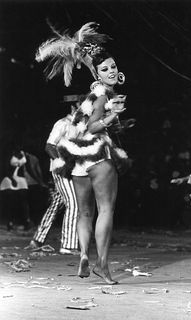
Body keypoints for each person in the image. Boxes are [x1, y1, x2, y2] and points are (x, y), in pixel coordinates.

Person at [36, 22, 129, 284]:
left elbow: (79, 126)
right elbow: (92, 126)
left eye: (113, 66)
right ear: (97, 74)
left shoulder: (92, 95)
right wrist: (112, 117)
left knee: (85, 212)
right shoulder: (101, 96)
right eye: (105, 69)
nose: (111, 71)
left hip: (78, 161)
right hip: (97, 157)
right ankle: (103, 266)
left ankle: (84, 257)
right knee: (107, 209)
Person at [26, 96, 81, 254]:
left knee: (57, 203)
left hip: (74, 169)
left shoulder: (81, 125)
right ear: (72, 107)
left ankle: (37, 239)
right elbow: (49, 146)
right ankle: (68, 245)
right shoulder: (62, 123)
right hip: (62, 169)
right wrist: (61, 163)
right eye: (80, 104)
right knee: (74, 202)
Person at [0, 150, 32, 231]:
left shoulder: (24, 154)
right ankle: (10, 223)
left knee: (23, 202)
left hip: (21, 180)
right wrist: (12, 179)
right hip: (9, 180)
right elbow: (5, 169)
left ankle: (26, 222)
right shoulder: (9, 154)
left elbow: (28, 168)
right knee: (10, 202)